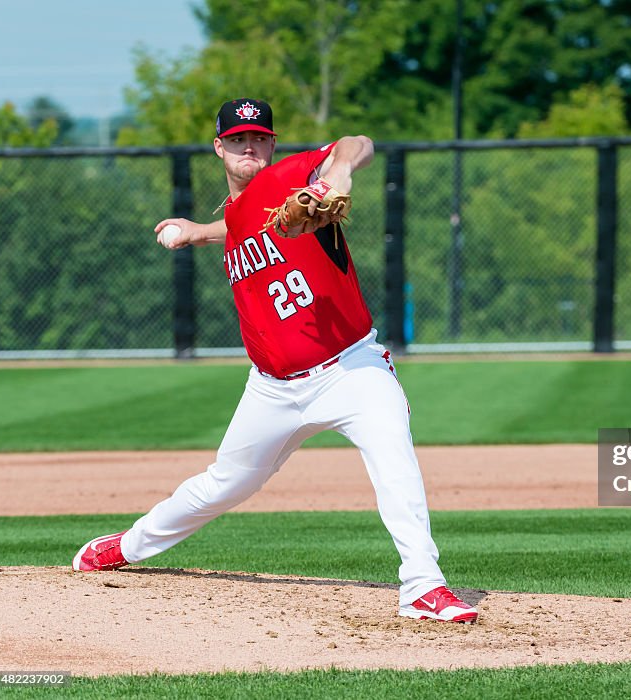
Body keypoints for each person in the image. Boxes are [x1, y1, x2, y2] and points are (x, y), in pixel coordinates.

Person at [72, 98, 477, 624]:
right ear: (219, 147)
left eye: (259, 137)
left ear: (273, 145)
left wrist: (337, 173)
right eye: (238, 138)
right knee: (223, 483)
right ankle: (129, 546)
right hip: (272, 390)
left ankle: (423, 587)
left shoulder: (291, 179)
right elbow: (241, 222)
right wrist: (199, 230)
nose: (249, 146)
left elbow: (360, 144)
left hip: (351, 370)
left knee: (393, 455)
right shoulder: (239, 212)